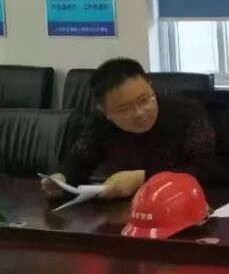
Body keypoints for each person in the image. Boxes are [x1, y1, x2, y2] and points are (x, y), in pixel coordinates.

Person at [40, 58, 215, 199]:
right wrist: (61, 178)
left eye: (144, 100)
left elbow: (205, 170)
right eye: (124, 109)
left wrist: (144, 177)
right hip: (125, 211)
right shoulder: (101, 122)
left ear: (150, 85)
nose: (139, 113)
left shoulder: (187, 112)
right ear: (105, 111)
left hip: (180, 204)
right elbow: (79, 160)